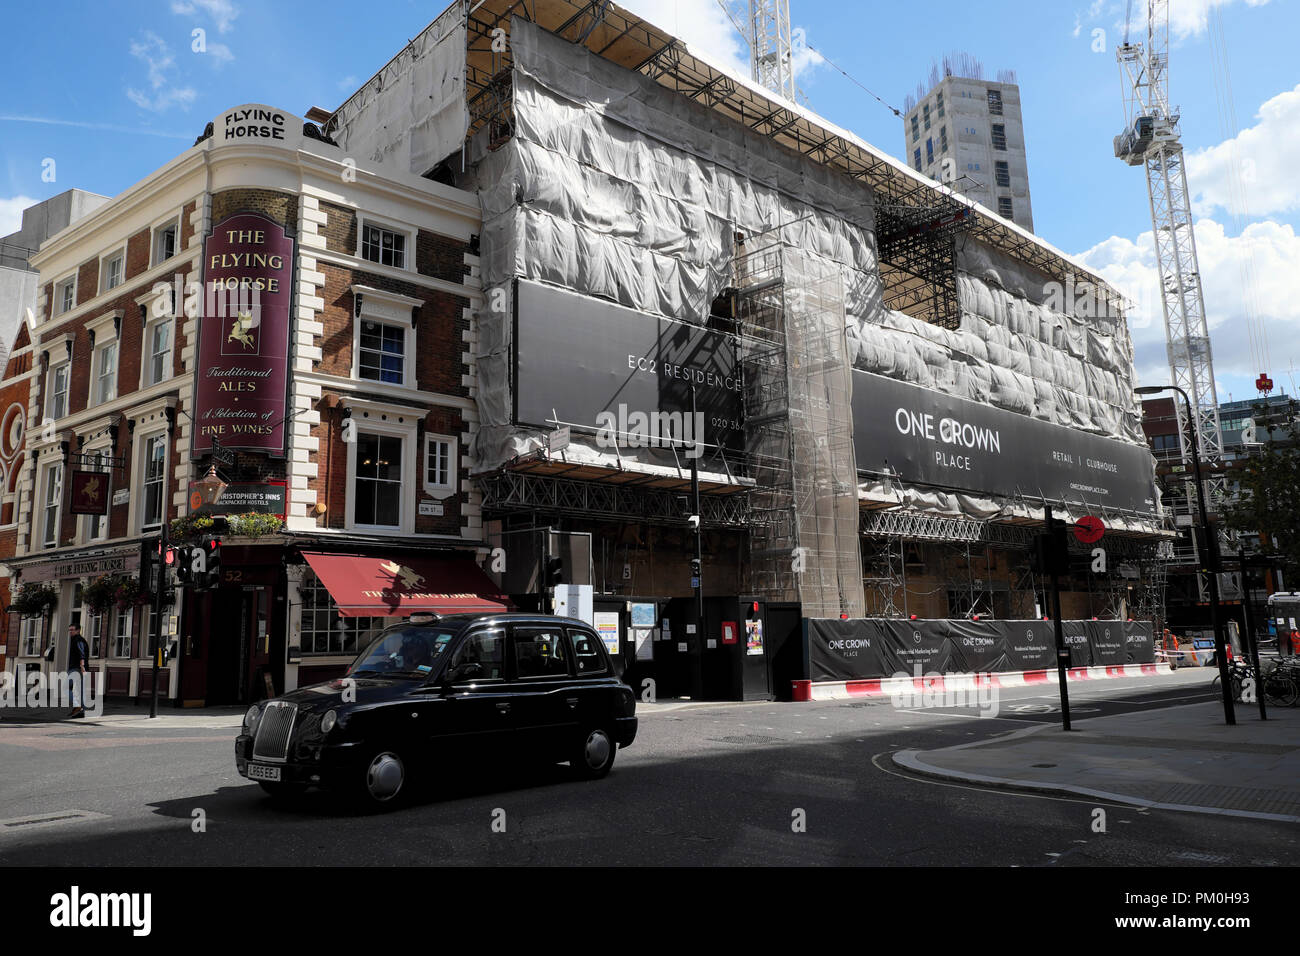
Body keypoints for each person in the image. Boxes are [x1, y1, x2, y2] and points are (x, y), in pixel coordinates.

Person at [66, 623, 89, 719]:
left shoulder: (78, 640)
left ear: (78, 630)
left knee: (64, 688)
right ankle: (82, 710)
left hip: (76, 668)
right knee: (80, 691)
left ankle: (78, 706)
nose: (70, 632)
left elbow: (82, 653)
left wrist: (82, 667)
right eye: (69, 630)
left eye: (72, 630)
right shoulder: (73, 640)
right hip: (76, 668)